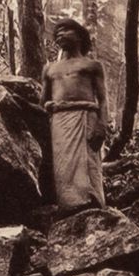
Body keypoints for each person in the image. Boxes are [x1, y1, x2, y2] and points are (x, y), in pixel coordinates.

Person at [42, 17, 110, 213]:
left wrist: (101, 125)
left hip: (85, 117)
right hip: (59, 122)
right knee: (63, 168)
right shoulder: (50, 69)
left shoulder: (91, 66)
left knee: (88, 165)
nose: (60, 34)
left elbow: (103, 99)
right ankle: (69, 208)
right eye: (57, 33)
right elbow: (42, 101)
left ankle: (94, 206)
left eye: (65, 30)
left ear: (79, 36)